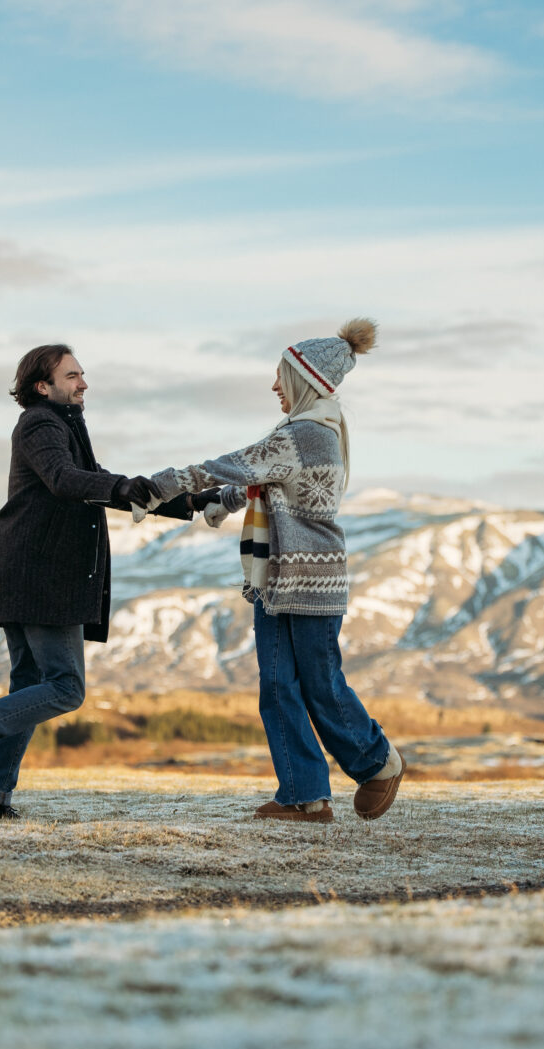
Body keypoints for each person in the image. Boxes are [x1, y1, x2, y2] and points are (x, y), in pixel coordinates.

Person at [147, 319, 404, 823]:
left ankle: (379, 762)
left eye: (281, 376)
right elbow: (259, 482)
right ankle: (305, 797)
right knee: (278, 686)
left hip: (311, 580)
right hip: (275, 581)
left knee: (321, 685)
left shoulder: (305, 434)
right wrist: (215, 502)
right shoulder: (300, 435)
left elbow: (232, 466)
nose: (274, 387)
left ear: (305, 381)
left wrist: (155, 486)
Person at [0, 343, 193, 820]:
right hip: (43, 577)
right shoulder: (41, 424)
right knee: (66, 687)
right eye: (72, 376)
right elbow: (64, 478)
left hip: (25, 573)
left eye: (82, 375)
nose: (83, 383)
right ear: (42, 386)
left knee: (28, 687)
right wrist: (118, 487)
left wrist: (179, 503)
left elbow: (91, 478)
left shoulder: (60, 426)